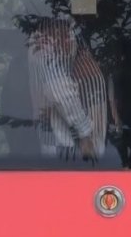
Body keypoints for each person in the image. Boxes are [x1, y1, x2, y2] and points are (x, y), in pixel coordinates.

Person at [27, 17, 108, 161]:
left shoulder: (65, 30)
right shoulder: (51, 34)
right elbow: (58, 87)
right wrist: (84, 132)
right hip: (72, 151)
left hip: (75, 148)